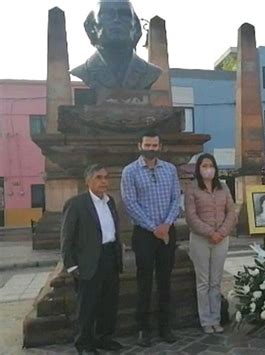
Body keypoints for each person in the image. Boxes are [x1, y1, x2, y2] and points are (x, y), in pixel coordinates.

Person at [121, 131, 180, 346]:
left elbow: (176, 198)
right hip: (145, 234)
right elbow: (130, 203)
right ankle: (142, 329)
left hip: (167, 232)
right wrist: (153, 227)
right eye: (148, 144)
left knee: (165, 281)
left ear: (159, 146)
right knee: (144, 282)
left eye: (155, 145)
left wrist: (166, 224)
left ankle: (165, 326)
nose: (151, 148)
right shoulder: (130, 171)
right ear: (140, 145)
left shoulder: (170, 169)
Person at [61, 164, 123, 354]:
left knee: (108, 302)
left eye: (105, 177)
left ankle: (104, 337)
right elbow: (67, 237)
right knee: (87, 305)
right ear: (88, 181)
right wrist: (70, 265)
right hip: (88, 261)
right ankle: (84, 344)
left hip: (110, 256)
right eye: (98, 177)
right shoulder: (77, 204)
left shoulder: (110, 201)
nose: (103, 181)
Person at [185, 153, 236, 334]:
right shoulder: (192, 188)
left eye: (211, 165)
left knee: (216, 281)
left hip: (221, 239)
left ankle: (216, 319)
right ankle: (206, 320)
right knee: (203, 281)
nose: (208, 169)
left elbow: (231, 211)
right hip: (201, 239)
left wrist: (221, 232)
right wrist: (209, 232)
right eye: (204, 166)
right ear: (199, 169)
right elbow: (191, 216)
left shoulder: (223, 187)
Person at [71, 0, 161, 90]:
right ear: (92, 26)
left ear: (136, 27)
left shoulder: (150, 72)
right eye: (106, 14)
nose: (116, 19)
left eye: (125, 15)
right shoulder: (84, 71)